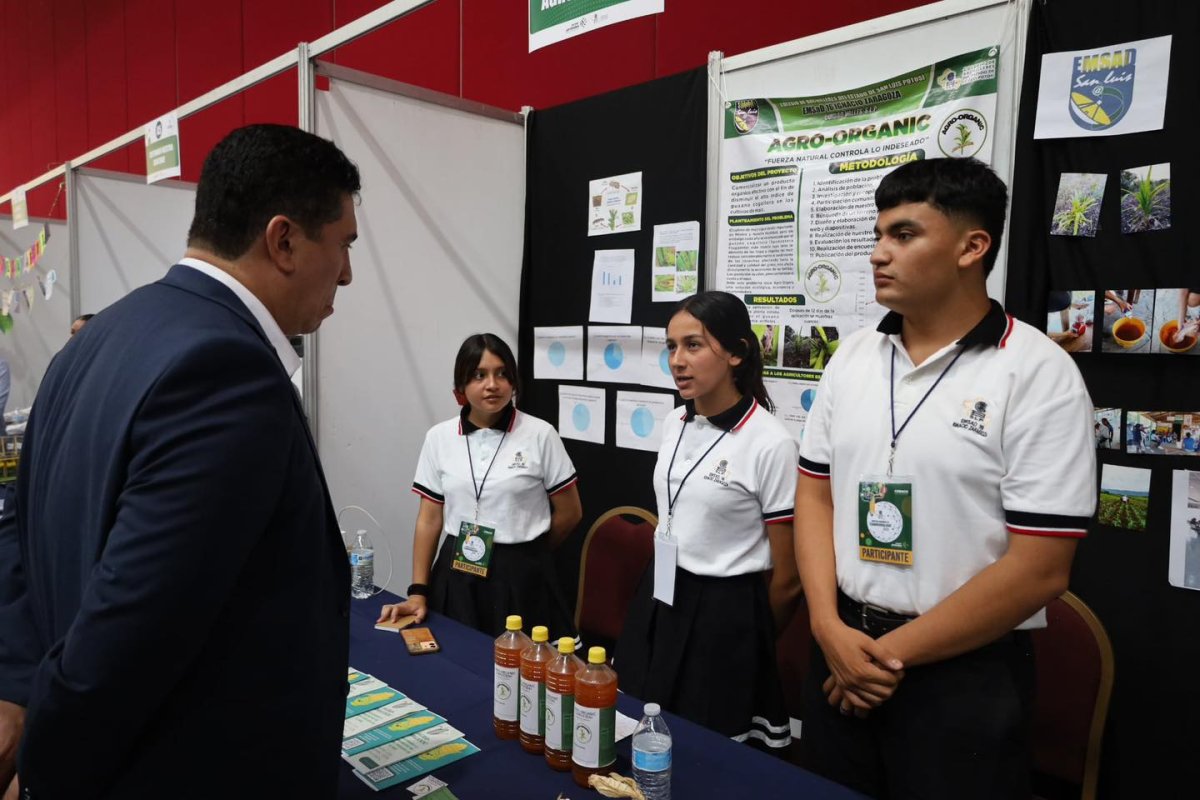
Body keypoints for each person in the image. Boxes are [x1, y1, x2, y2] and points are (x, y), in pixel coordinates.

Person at [0, 124, 360, 799]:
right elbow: (127, 630)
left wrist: (20, 690)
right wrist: (42, 770)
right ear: (283, 241)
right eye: (343, 244)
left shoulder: (96, 338)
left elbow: (18, 532)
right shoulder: (228, 372)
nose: (346, 272)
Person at [795, 157, 1095, 799]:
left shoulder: (1037, 372)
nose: (878, 253)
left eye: (903, 234)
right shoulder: (852, 357)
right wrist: (825, 625)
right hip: (841, 647)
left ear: (971, 247)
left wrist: (885, 656)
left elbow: (1041, 569)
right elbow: (814, 497)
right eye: (878, 234)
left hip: (962, 672)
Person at [616, 291, 801, 752]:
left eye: (693, 345)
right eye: (671, 346)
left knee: (707, 752)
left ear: (737, 352)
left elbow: (789, 576)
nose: (677, 361)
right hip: (660, 594)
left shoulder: (771, 443)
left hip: (724, 612)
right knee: (639, 731)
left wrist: (751, 634)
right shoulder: (674, 422)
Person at [378, 333, 582, 639]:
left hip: (522, 578)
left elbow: (570, 512)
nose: (492, 384)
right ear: (461, 385)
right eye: (479, 375)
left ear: (514, 382)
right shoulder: (439, 437)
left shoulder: (541, 434)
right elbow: (429, 519)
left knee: (521, 663)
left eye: (502, 374)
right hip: (457, 574)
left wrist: (530, 553)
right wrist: (418, 591)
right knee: (456, 657)